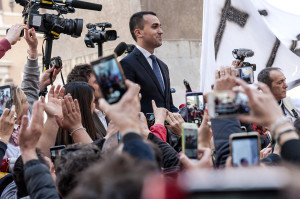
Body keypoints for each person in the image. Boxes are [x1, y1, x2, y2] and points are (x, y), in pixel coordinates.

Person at [120, 11, 178, 114]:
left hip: (167, 129)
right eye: (155, 27)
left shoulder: (163, 66)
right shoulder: (126, 64)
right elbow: (126, 109)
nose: (161, 31)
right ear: (138, 33)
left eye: (160, 27)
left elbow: (168, 105)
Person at [67, 64, 108, 138]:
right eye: (96, 82)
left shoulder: (111, 108)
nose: (102, 83)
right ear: (85, 89)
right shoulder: (83, 122)